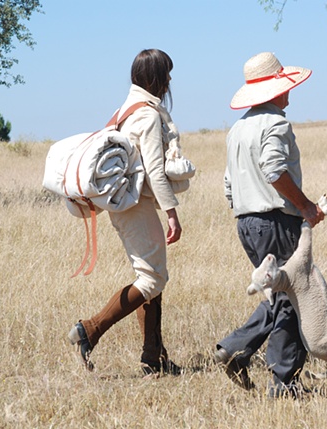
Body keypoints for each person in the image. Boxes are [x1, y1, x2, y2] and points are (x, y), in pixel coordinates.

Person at [214, 52, 325, 398]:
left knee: (279, 293)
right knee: (295, 297)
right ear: (276, 89)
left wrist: (249, 213)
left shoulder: (238, 129)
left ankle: (235, 348)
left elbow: (229, 185)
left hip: (246, 223)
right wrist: (305, 206)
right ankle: (284, 382)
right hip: (276, 220)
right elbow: (274, 169)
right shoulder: (276, 124)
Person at [67, 49, 182, 378]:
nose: (171, 80)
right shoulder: (146, 115)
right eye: (167, 74)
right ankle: (89, 331)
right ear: (156, 78)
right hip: (135, 205)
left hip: (124, 205)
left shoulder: (126, 109)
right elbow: (156, 172)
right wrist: (173, 213)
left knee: (152, 275)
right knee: (152, 278)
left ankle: (153, 356)